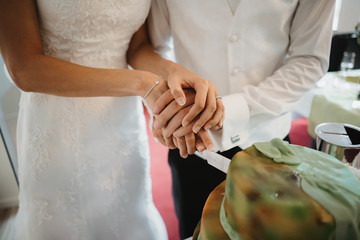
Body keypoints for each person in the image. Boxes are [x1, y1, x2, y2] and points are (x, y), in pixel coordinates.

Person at [0, 0, 222, 239]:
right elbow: (24, 68)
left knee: (125, 214)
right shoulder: (138, 85)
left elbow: (136, 47)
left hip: (121, 121)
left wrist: (171, 72)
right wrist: (142, 83)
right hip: (57, 125)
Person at [143, 0, 336, 238]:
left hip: (270, 143)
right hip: (192, 144)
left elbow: (309, 58)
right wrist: (168, 107)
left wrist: (230, 110)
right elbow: (151, 48)